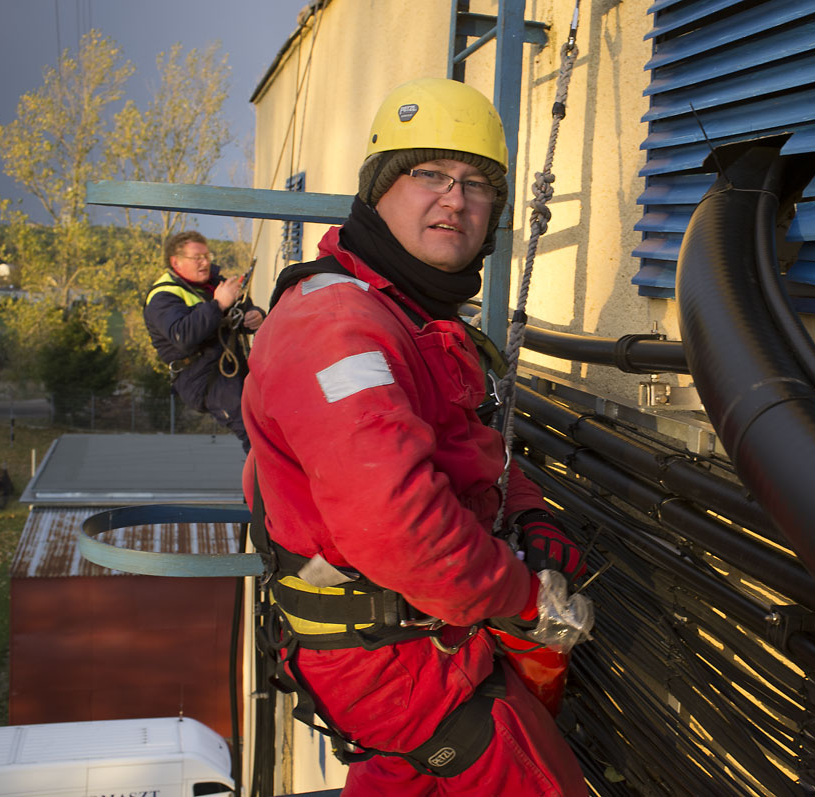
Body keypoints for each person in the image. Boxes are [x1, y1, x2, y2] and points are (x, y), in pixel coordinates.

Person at [241, 78, 591, 795]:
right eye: (428, 174)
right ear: (378, 192)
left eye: (476, 184)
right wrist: (526, 597)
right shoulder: (339, 329)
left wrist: (531, 516)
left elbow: (471, 445)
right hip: (395, 661)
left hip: (417, 633)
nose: (455, 200)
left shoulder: (410, 315)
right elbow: (399, 526)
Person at [144, 231, 264, 452]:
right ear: (176, 262)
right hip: (201, 375)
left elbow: (241, 310)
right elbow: (183, 336)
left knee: (268, 419)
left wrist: (255, 315)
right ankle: (265, 474)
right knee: (254, 430)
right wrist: (218, 305)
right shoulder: (163, 297)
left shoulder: (215, 283)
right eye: (197, 258)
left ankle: (273, 471)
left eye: (207, 256)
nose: (205, 262)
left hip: (230, 365)